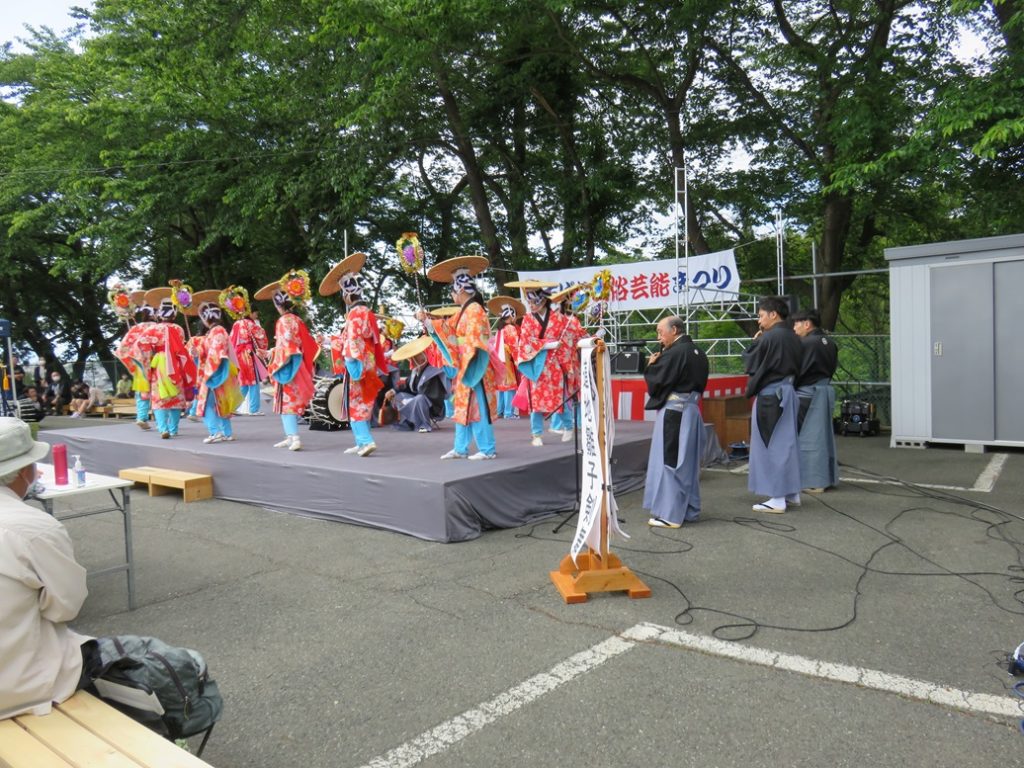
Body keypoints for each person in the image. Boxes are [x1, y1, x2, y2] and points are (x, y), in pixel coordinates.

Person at [0, 417, 89, 718]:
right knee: (157, 663)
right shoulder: (34, 528)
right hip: (21, 688)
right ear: (25, 471)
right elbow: (66, 607)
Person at [419, 256, 497, 460]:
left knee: (479, 407)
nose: (452, 294)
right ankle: (460, 448)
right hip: (466, 363)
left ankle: (487, 449)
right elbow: (446, 328)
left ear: (461, 289)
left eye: (453, 289)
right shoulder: (464, 311)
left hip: (476, 364)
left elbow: (474, 340)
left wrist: (466, 360)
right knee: (463, 406)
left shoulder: (475, 310)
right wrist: (428, 322)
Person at [642, 316, 710, 528]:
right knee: (687, 463)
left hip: (675, 412)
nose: (659, 337)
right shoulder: (699, 352)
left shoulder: (674, 353)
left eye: (660, 331)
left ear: (674, 330)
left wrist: (651, 366)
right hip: (692, 410)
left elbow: (658, 382)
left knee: (671, 461)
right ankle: (689, 509)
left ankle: (670, 514)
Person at [319, 254, 384, 457]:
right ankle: (359, 441)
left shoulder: (354, 314)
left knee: (356, 403)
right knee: (361, 401)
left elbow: (352, 341)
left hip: (357, 362)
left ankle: (366, 441)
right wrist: (328, 341)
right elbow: (352, 338)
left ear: (348, 295)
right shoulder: (367, 312)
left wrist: (350, 360)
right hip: (368, 361)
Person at [742, 296, 804, 513]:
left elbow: (751, 363)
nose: (759, 321)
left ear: (773, 314)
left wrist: (755, 342)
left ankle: (777, 498)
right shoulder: (794, 336)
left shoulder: (770, 337)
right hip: (788, 391)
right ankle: (791, 492)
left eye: (761, 316)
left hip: (771, 396)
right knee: (787, 444)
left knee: (772, 444)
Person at [255, 270, 319, 451]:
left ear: (278, 304)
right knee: (284, 401)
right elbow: (294, 344)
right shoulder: (297, 320)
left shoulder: (283, 321)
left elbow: (287, 346)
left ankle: (295, 437)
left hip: (286, 365)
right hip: (295, 363)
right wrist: (270, 353)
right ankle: (290, 436)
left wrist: (274, 360)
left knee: (287, 401)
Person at [509, 280, 565, 447]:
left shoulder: (556, 318)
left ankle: (558, 425)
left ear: (543, 300)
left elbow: (564, 335)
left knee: (558, 395)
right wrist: (547, 344)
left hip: (554, 363)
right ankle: (537, 433)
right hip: (537, 364)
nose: (531, 305)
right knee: (536, 399)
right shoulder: (527, 319)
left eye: (534, 302)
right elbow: (526, 342)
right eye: (530, 302)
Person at [792, 308, 840, 492]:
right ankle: (824, 477)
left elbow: (799, 371)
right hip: (824, 391)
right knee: (822, 437)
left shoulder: (806, 343)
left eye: (796, 323)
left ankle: (813, 481)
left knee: (808, 438)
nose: (794, 327)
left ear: (807, 324)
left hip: (807, 394)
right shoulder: (830, 343)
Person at [143, 287, 197, 439]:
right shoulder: (178, 329)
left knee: (159, 397)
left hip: (159, 364)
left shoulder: (152, 329)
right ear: (174, 314)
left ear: (159, 313)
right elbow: (181, 347)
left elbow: (145, 349)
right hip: (176, 363)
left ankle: (163, 428)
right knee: (176, 397)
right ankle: (173, 429)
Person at [193, 290, 243, 444]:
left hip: (214, 371)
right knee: (220, 404)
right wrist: (197, 352)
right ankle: (227, 433)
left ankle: (215, 432)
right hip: (219, 370)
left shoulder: (217, 332)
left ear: (206, 318)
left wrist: (208, 373)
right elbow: (208, 351)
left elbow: (216, 353)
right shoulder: (216, 331)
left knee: (206, 404)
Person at [549, 284, 589, 438]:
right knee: (564, 393)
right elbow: (580, 336)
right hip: (563, 360)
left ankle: (573, 423)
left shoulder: (565, 319)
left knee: (569, 392)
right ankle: (559, 424)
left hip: (567, 359)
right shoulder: (565, 320)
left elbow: (579, 337)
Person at [385, 337, 449, 433]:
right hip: (416, 401)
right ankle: (409, 421)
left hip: (432, 407)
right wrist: (393, 391)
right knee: (398, 396)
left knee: (420, 399)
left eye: (416, 357)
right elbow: (406, 386)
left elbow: (434, 397)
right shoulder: (415, 372)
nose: (412, 360)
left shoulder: (432, 373)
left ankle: (422, 424)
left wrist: (410, 400)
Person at [226, 291, 268, 416]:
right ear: (250, 312)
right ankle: (254, 409)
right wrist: (259, 326)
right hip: (248, 355)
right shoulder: (250, 324)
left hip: (237, 356)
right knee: (253, 381)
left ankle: (233, 407)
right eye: (255, 313)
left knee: (243, 382)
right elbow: (261, 336)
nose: (256, 315)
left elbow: (231, 340)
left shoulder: (236, 324)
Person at [487, 296, 524, 420]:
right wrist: (519, 360)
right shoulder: (511, 328)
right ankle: (509, 412)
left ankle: (501, 411)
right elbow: (514, 346)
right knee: (509, 386)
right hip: (507, 359)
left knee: (502, 387)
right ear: (512, 316)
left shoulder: (500, 329)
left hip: (498, 359)